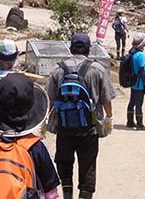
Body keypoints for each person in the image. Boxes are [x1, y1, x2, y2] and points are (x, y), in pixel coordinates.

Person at [47, 33, 115, 199]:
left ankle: (67, 195)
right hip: (89, 129)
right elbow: (106, 99)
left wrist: (46, 122)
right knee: (88, 166)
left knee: (64, 163)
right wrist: (108, 118)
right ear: (88, 49)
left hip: (64, 128)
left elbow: (51, 100)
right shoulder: (98, 69)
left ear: (70, 48)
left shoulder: (58, 70)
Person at [126, 32, 145, 131]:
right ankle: (140, 124)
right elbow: (142, 71)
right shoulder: (140, 55)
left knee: (132, 102)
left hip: (133, 82)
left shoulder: (132, 52)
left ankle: (130, 121)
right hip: (139, 83)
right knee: (139, 103)